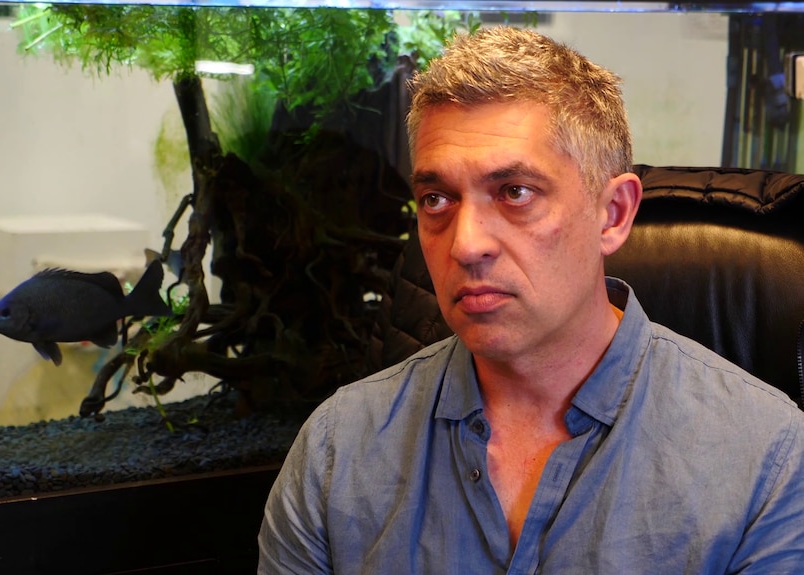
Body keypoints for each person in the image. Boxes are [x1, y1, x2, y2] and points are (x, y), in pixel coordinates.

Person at [258, 26, 804, 574]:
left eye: (514, 192)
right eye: (436, 198)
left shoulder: (766, 461)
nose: (466, 244)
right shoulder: (336, 451)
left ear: (612, 214)